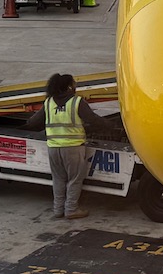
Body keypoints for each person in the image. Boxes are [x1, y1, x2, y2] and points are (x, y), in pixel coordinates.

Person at [24, 73, 104, 219]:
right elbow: (93, 119)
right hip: (73, 148)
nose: (75, 86)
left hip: (53, 148)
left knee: (58, 179)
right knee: (74, 179)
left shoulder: (48, 103)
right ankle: (71, 209)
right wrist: (110, 125)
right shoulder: (77, 102)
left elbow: (32, 122)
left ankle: (58, 210)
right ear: (68, 87)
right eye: (74, 84)